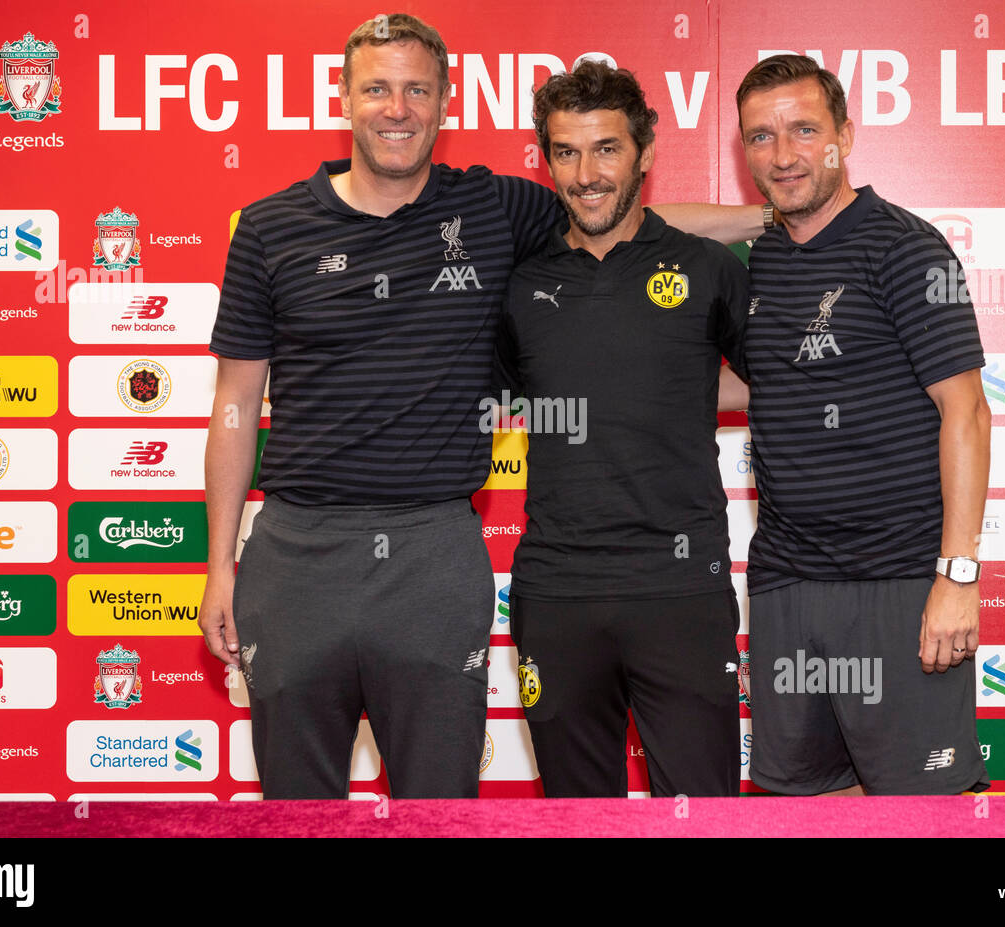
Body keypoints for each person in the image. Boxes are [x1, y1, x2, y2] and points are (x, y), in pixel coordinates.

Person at [199, 13, 772, 799]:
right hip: (296, 553)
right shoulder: (268, 228)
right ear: (343, 97)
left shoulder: (495, 209)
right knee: (294, 812)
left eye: (415, 90)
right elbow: (233, 404)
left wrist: (777, 215)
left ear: (444, 103)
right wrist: (219, 562)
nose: (396, 108)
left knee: (442, 808)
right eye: (376, 88)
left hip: (435, 550)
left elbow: (628, 220)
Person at [725, 54, 992, 795]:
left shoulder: (904, 246)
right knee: (806, 806)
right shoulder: (762, 262)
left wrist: (957, 575)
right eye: (760, 137)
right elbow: (639, 226)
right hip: (788, 584)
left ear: (846, 132)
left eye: (804, 130)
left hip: (902, 583)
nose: (782, 155)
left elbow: (965, 410)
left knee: (930, 809)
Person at [496, 61, 755, 798]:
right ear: (546, 159)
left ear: (644, 151)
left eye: (607, 148)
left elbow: (777, 382)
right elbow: (497, 394)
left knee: (703, 814)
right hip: (556, 594)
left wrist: (679, 389)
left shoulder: (708, 268)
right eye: (567, 152)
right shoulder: (516, 281)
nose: (586, 174)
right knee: (578, 819)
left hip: (682, 588)